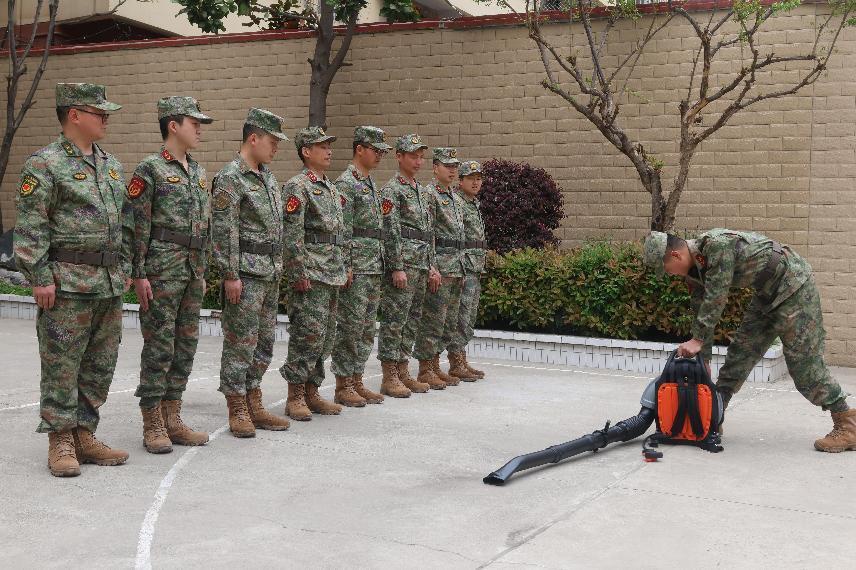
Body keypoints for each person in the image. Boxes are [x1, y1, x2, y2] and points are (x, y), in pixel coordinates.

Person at [643, 229, 855, 452]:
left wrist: (697, 340)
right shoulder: (695, 271)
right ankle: (714, 416)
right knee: (739, 355)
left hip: (794, 287)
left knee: (805, 366)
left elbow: (716, 297)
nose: (669, 274)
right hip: (766, 294)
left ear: (676, 255)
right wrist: (702, 358)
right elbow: (700, 312)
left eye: (666, 269)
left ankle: (848, 424)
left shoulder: (716, 246)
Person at [14, 83, 131, 477]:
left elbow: (124, 224)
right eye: (99, 112)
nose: (106, 117)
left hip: (108, 283)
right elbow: (31, 227)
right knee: (62, 364)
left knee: (100, 363)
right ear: (74, 115)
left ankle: (85, 432)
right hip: (66, 284)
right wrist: (39, 276)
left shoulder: (111, 165)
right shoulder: (45, 164)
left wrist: (125, 268)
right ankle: (60, 438)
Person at [127, 96, 212, 453]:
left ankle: (173, 415)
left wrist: (203, 271)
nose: (199, 131)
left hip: (191, 272)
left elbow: (205, 226)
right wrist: (139, 273)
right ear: (173, 126)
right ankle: (152, 422)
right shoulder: (150, 170)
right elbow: (135, 225)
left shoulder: (198, 171)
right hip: (162, 271)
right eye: (194, 124)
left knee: (185, 346)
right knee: (160, 347)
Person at [211, 108, 292, 437]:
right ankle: (237, 406)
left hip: (269, 273)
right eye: (273, 141)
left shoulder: (268, 176)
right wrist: (230, 274)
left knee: (264, 342)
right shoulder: (231, 177)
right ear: (253, 138)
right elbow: (223, 229)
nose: (276, 148)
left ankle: (254, 398)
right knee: (240, 343)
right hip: (245, 274)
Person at [279, 127, 347, 421]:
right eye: (322, 146)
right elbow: (292, 235)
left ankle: (312, 390)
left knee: (327, 336)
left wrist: (345, 267)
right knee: (308, 334)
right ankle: (295, 395)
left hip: (331, 273)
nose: (329, 150)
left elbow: (339, 234)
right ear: (306, 151)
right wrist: (298, 272)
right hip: (311, 273)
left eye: (329, 145)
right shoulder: (297, 187)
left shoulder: (330, 188)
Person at [330, 126, 392, 407]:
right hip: (357, 267)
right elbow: (343, 229)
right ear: (359, 149)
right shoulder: (347, 184)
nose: (379, 155)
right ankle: (343, 385)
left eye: (381, 150)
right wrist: (346, 265)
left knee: (366, 328)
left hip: (373, 266)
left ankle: (357, 379)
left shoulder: (370, 184)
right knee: (351, 327)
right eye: (375, 149)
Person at [376, 134, 442, 397]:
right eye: (413, 155)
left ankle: (403, 371)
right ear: (399, 156)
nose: (418, 161)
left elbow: (429, 234)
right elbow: (390, 232)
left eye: (421, 156)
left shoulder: (421, 192)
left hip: (421, 265)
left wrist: (432, 266)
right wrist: (396, 266)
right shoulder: (392, 191)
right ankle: (389, 374)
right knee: (395, 320)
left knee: (412, 320)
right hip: (403, 266)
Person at [413, 148, 467, 387]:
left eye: (455, 165)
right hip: (440, 268)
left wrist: (463, 267)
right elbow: (429, 234)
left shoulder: (455, 198)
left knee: (448, 322)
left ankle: (435, 365)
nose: (453, 169)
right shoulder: (429, 195)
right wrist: (432, 266)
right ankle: (426, 369)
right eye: (447, 165)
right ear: (435, 168)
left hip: (455, 267)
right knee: (433, 320)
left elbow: (460, 237)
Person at [445, 160, 487, 380]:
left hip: (475, 267)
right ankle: (455, 362)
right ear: (460, 181)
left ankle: (461, 356)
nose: (475, 182)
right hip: (464, 267)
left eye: (478, 178)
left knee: (469, 316)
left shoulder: (473, 203)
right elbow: (456, 239)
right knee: (460, 316)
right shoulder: (457, 203)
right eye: (471, 178)